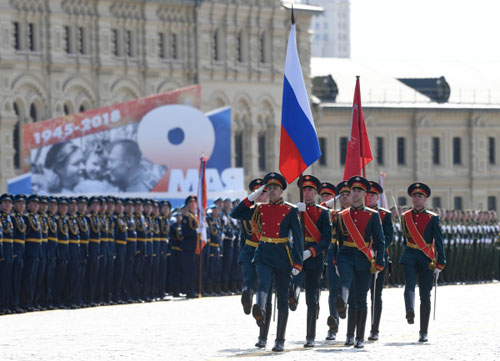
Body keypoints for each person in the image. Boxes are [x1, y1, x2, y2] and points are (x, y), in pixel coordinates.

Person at [231, 172, 303, 352]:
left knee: (282, 299)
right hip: (263, 252)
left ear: (281, 191)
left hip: (282, 254)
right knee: (263, 284)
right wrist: (252, 196)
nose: (272, 191)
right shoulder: (259, 209)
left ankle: (280, 339)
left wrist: (298, 263)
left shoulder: (290, 210)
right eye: (269, 188)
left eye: (275, 188)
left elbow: (298, 238)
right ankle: (261, 318)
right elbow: (236, 213)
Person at [335, 176, 385, 349]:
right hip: (346, 254)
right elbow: (337, 240)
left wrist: (379, 262)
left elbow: (379, 240)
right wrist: (334, 260)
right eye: (353, 190)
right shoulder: (342, 215)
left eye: (358, 190)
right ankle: (342, 300)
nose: (355, 193)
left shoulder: (372, 215)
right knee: (346, 284)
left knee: (361, 300)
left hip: (364, 258)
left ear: (364, 193)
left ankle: (358, 337)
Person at [400, 182, 446, 342]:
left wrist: (441, 262)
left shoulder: (433, 218)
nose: (417, 198)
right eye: (414, 195)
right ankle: (410, 310)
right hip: (410, 255)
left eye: (420, 196)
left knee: (425, 295)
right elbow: (405, 239)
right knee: (409, 284)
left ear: (425, 199)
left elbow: (439, 241)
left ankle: (423, 331)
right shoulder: (405, 217)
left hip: (427, 258)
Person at [292, 175, 332, 348]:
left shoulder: (323, 213)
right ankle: (293, 295)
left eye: (310, 190)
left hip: (314, 257)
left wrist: (312, 251)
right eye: (304, 189)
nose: (307, 192)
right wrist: (296, 215)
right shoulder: (294, 210)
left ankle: (310, 335)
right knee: (292, 283)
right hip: (297, 255)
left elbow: (327, 239)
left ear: (316, 192)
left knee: (312, 298)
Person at [365, 181, 393, 341]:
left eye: (373, 195)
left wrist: (378, 250)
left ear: (378, 197)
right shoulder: (359, 212)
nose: (370, 197)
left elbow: (389, 236)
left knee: (376, 294)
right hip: (363, 256)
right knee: (360, 294)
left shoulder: (384, 215)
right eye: (368, 194)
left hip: (379, 257)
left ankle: (374, 328)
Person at [21, 195, 42, 311]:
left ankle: (32, 301)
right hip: (29, 252)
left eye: (36, 204)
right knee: (28, 278)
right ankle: (25, 302)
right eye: (33, 203)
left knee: (34, 278)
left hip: (37, 252)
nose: (35, 206)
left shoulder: (35, 218)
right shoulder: (25, 218)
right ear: (28, 205)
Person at [0, 194, 14, 314]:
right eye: (5, 203)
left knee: (7, 280)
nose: (7, 205)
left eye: (9, 203)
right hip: (2, 252)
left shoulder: (10, 218)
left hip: (9, 252)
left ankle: (5, 304)